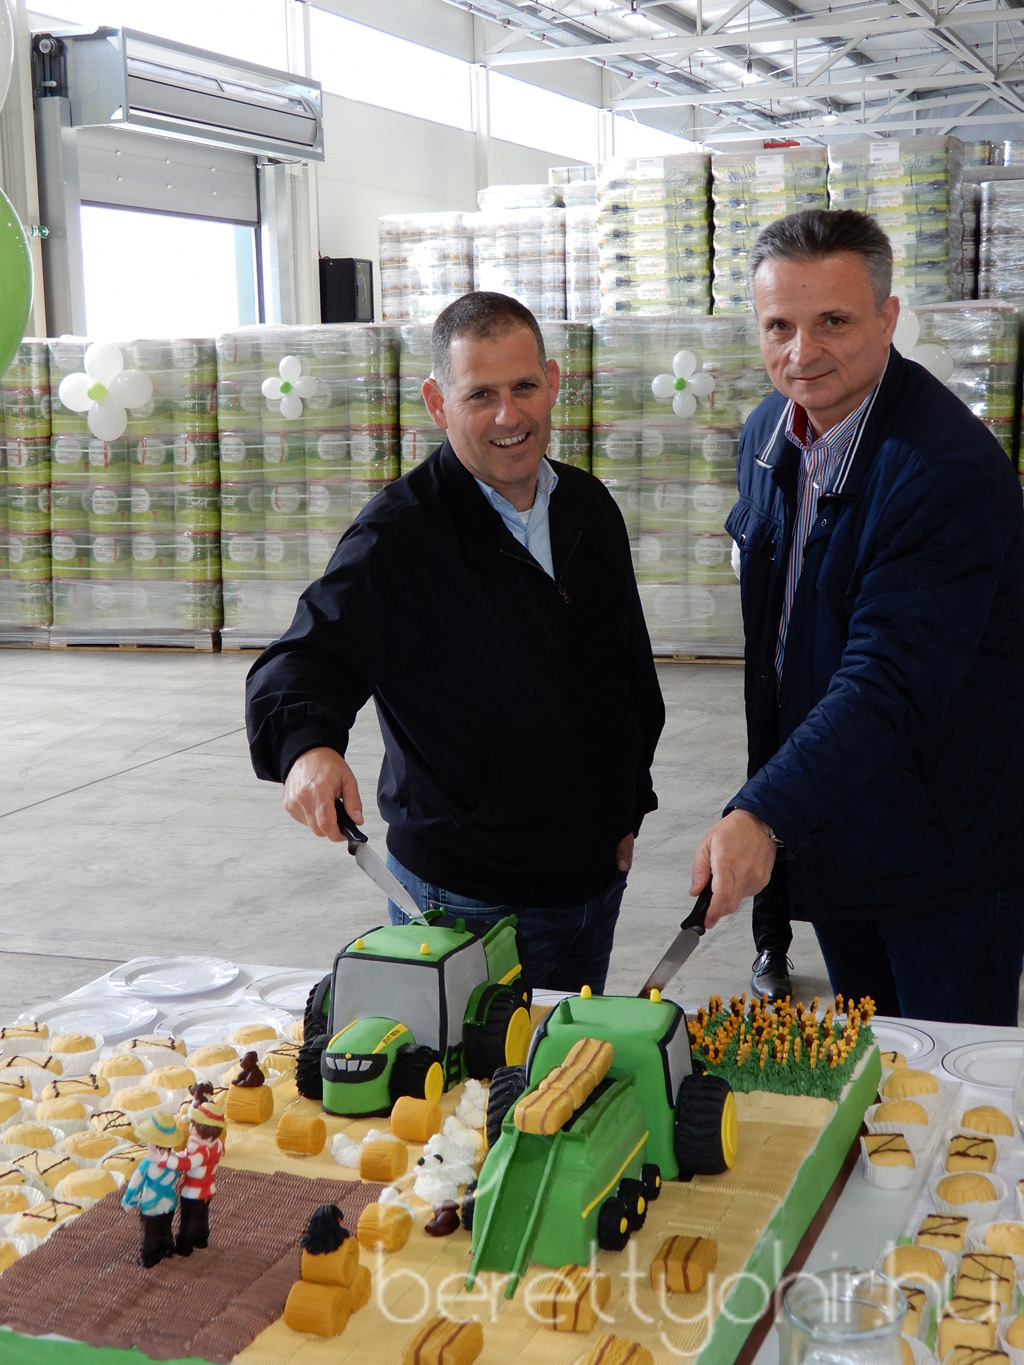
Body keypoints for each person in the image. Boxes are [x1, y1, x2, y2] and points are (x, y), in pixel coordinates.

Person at [246, 291, 664, 993]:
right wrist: (307, 748)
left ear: (553, 384)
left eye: (523, 387)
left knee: (564, 1061)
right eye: (481, 395)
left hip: (593, 886)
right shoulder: (399, 537)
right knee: (468, 1069)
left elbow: (629, 679)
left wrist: (627, 808)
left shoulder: (588, 507)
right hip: (466, 902)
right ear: (438, 403)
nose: (509, 416)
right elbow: (303, 659)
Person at [691, 207, 1024, 1026]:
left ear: (887, 318)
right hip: (834, 814)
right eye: (779, 325)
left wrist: (766, 809)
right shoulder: (770, 434)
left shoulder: (941, 470)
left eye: (833, 322)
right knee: (869, 1058)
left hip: (942, 844)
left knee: (951, 1078)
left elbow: (889, 677)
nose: (802, 352)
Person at [154, 1082, 226, 1256]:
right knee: (202, 1217)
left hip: (194, 1192)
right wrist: (182, 1154)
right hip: (208, 1188)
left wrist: (165, 1159)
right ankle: (202, 1239)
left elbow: (186, 1164)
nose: (189, 1126)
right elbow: (194, 1156)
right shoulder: (216, 1145)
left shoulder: (201, 1151)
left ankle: (184, 1245)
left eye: (193, 1124)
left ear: (201, 1129)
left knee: (189, 1220)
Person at [121, 1110, 185, 1268]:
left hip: (151, 1204)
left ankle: (149, 1257)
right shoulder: (175, 1161)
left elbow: (135, 1185)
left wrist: (129, 1203)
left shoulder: (147, 1164)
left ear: (154, 1144)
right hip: (169, 1202)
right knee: (165, 1228)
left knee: (149, 1233)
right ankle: (167, 1249)